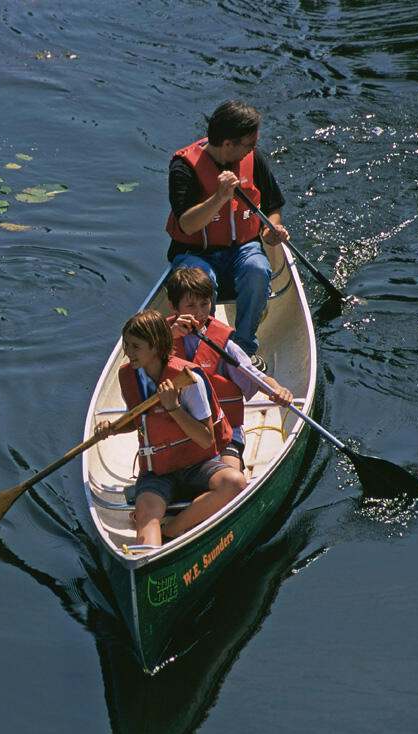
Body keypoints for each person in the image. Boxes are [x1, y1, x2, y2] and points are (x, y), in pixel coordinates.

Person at [95, 309, 246, 547]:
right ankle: (147, 559)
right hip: (158, 471)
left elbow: (206, 439)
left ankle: (172, 531)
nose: (128, 353)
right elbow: (138, 421)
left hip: (196, 465)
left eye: (135, 346)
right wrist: (112, 428)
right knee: (146, 513)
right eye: (126, 345)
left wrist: (174, 408)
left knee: (235, 483)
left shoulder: (188, 379)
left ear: (155, 346)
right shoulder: (129, 376)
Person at [165, 99, 290, 370]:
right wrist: (220, 197)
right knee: (200, 282)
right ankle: (204, 348)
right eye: (249, 144)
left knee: (257, 268)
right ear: (228, 144)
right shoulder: (183, 168)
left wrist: (271, 230)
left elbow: (273, 206)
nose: (253, 149)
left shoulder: (253, 160)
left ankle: (242, 350)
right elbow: (186, 224)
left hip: (241, 249)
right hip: (194, 253)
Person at [165, 267, 294, 472]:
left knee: (231, 475)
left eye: (205, 304)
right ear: (173, 306)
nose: (199, 313)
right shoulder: (158, 341)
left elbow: (256, 376)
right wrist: (169, 338)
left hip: (223, 432)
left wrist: (278, 389)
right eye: (190, 305)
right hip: (176, 433)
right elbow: (139, 367)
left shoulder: (224, 346)